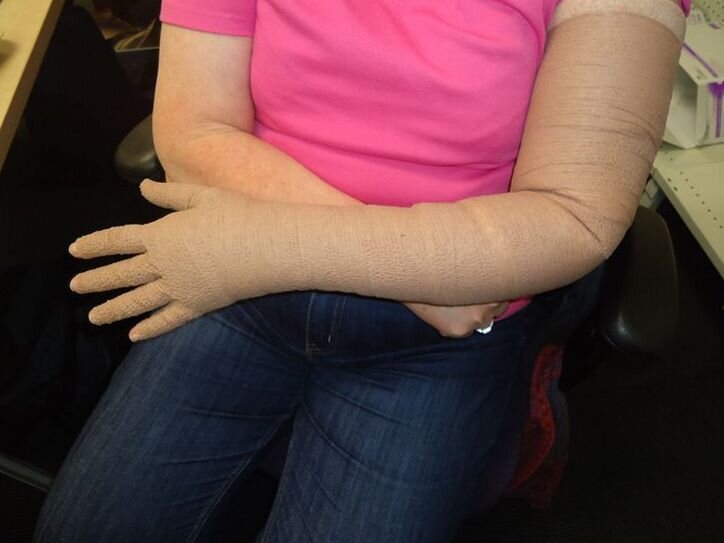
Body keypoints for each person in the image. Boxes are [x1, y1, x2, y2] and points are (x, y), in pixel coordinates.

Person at [34, 0, 689, 541]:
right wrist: (415, 273)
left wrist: (264, 248)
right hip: (246, 290)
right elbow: (195, 129)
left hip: (429, 342)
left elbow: (573, 216)